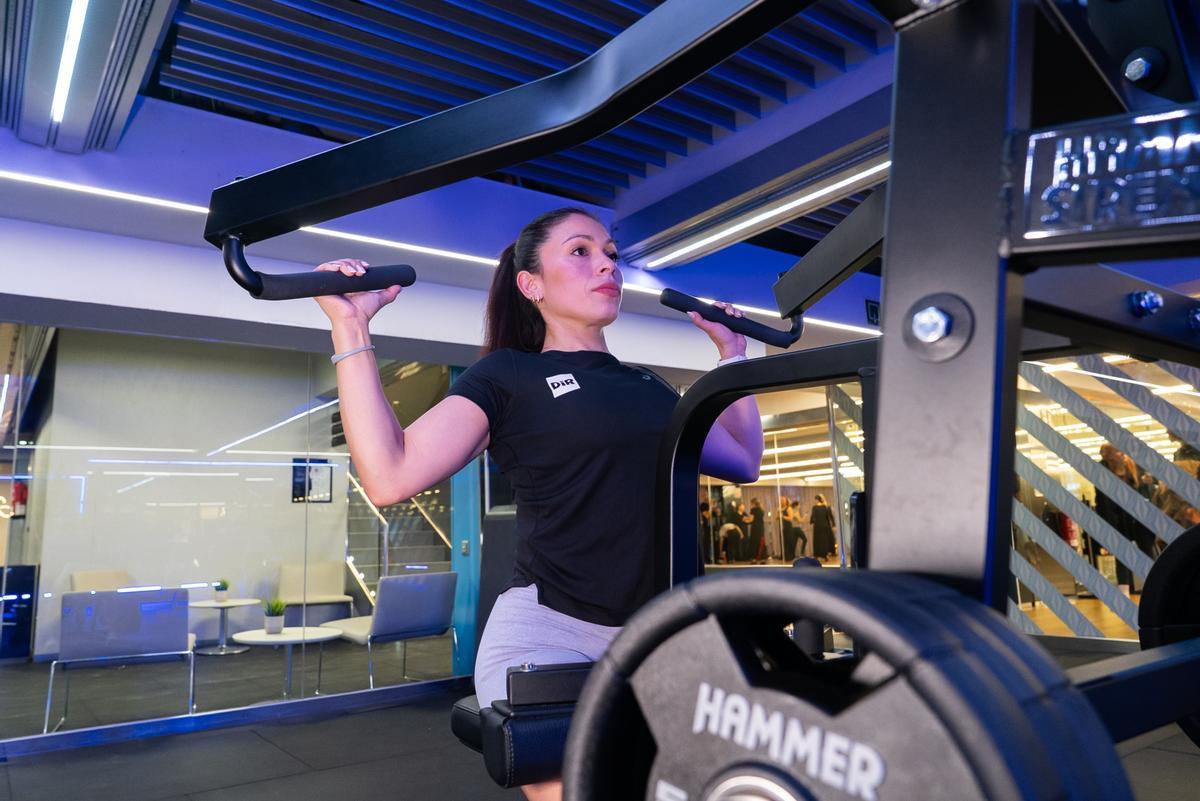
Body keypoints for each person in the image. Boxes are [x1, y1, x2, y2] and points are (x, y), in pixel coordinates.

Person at [312, 207, 762, 801]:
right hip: (552, 634)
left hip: (664, 636)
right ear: (532, 285)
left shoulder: (651, 385)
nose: (606, 264)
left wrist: (733, 354)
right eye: (580, 251)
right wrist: (351, 328)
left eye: (610, 253)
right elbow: (389, 475)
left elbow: (742, 460)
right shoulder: (508, 376)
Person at [810, 493, 837, 561]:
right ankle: (824, 555)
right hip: (824, 526)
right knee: (824, 541)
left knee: (817, 541)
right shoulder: (825, 507)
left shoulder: (815, 507)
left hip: (818, 526)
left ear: (817, 500)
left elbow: (812, 517)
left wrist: (811, 522)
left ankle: (817, 555)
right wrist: (833, 525)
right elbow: (829, 517)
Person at [748, 497, 766, 563]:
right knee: (761, 542)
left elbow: (751, 520)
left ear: (753, 503)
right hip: (761, 528)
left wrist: (745, 520)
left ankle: (754, 558)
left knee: (754, 542)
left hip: (755, 528)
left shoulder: (753, 510)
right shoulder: (761, 510)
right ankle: (762, 558)